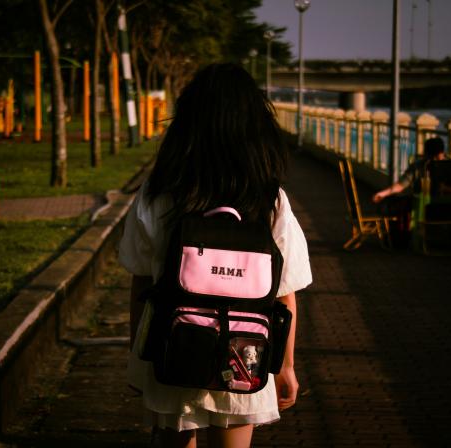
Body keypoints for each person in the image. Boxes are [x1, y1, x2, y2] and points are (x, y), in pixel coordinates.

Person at [117, 63, 312, 448]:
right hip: (245, 353)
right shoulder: (269, 199)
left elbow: (142, 280)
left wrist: (139, 359)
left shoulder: (159, 193)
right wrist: (285, 366)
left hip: (174, 346)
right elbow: (284, 293)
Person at [372, 137, 446, 204]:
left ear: (442, 154)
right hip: (421, 205)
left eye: (436, 156)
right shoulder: (418, 166)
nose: (433, 160)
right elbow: (401, 184)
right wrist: (382, 194)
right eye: (431, 156)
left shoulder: (450, 166)